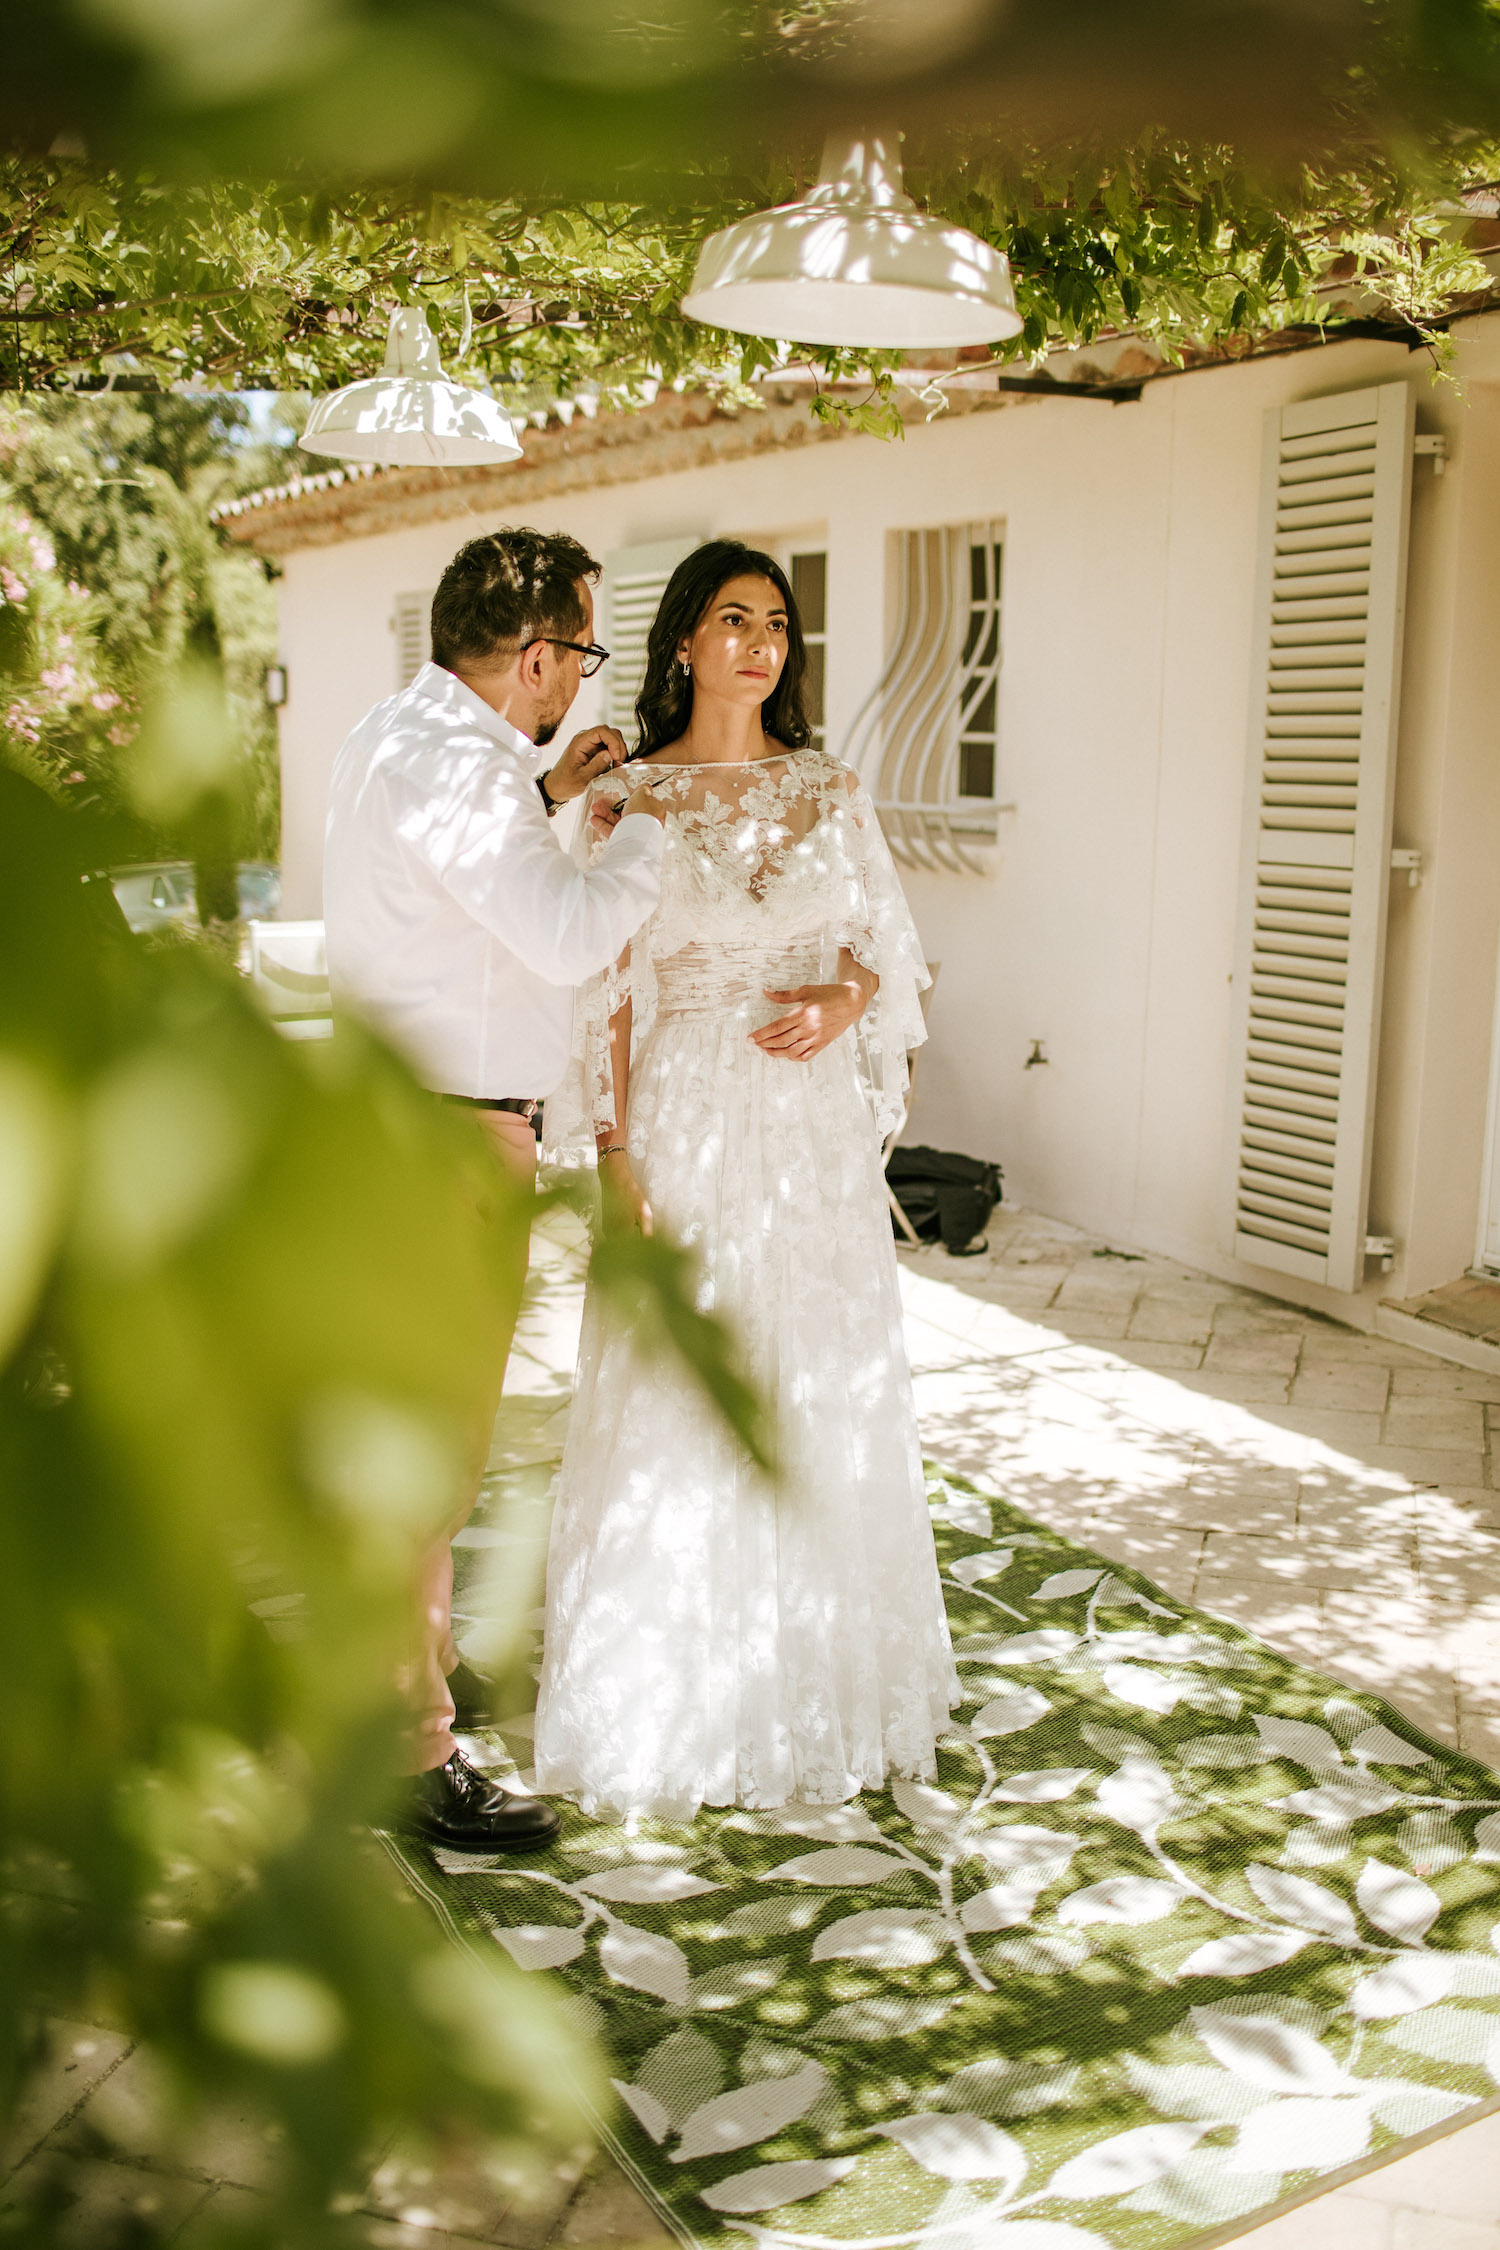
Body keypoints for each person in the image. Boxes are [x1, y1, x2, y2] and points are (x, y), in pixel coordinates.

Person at [534, 539, 958, 1821]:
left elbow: (888, 946)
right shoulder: (627, 801)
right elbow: (605, 990)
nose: (762, 640)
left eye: (778, 622)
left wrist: (846, 996)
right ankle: (676, 1695)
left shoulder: (833, 789)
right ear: (682, 642)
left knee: (817, 1379)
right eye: (734, 617)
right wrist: (613, 1157)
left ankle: (821, 1676)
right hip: (682, 1117)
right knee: (682, 1388)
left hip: (810, 1136)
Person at [323, 526, 665, 1851]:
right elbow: (570, 933)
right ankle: (412, 1753)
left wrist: (545, 791)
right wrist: (638, 836)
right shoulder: (462, 771)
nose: (580, 677)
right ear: (536, 656)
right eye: (582, 650)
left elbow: (452, 879)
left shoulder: (402, 736)